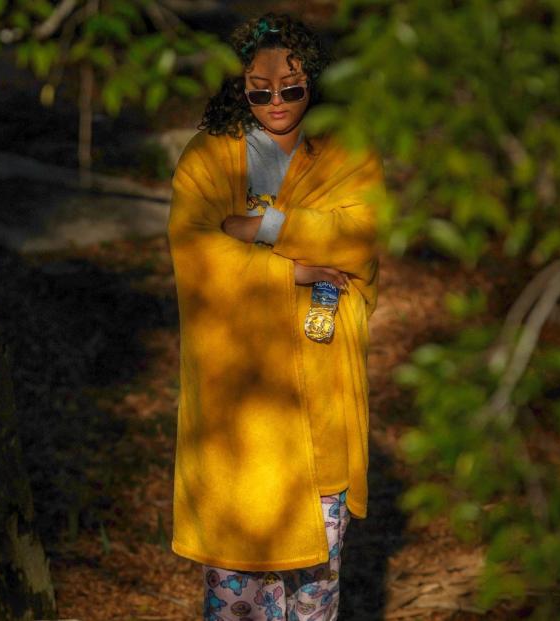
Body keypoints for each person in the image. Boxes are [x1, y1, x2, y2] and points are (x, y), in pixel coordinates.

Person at [166, 12, 384, 621]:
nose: (276, 103)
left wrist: (263, 227)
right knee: (237, 586)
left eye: (292, 88)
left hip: (320, 389)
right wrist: (295, 269)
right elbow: (195, 249)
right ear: (239, 88)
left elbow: (359, 239)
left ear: (316, 83)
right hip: (242, 404)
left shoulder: (347, 152)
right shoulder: (209, 158)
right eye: (258, 91)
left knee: (316, 587)